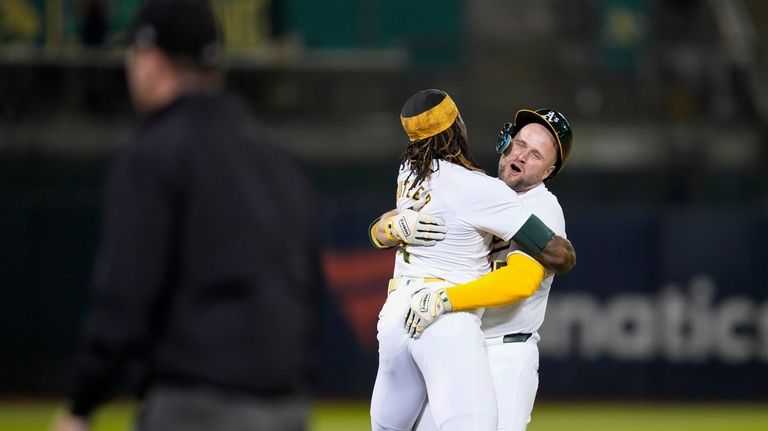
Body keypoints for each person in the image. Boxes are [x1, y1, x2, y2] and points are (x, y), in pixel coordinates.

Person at [49, 1, 323, 431]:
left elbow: (127, 294)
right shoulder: (278, 160)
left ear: (151, 60)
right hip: (286, 406)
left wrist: (82, 401)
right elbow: (309, 291)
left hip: (196, 406)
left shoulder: (154, 153)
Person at [368, 89, 575, 431]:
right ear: (506, 140)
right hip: (458, 341)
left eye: (536, 154)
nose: (522, 155)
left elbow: (520, 280)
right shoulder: (479, 190)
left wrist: (448, 300)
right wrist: (388, 228)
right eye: (520, 143)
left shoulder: (540, 208)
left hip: (503, 352)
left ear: (549, 170)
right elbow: (388, 224)